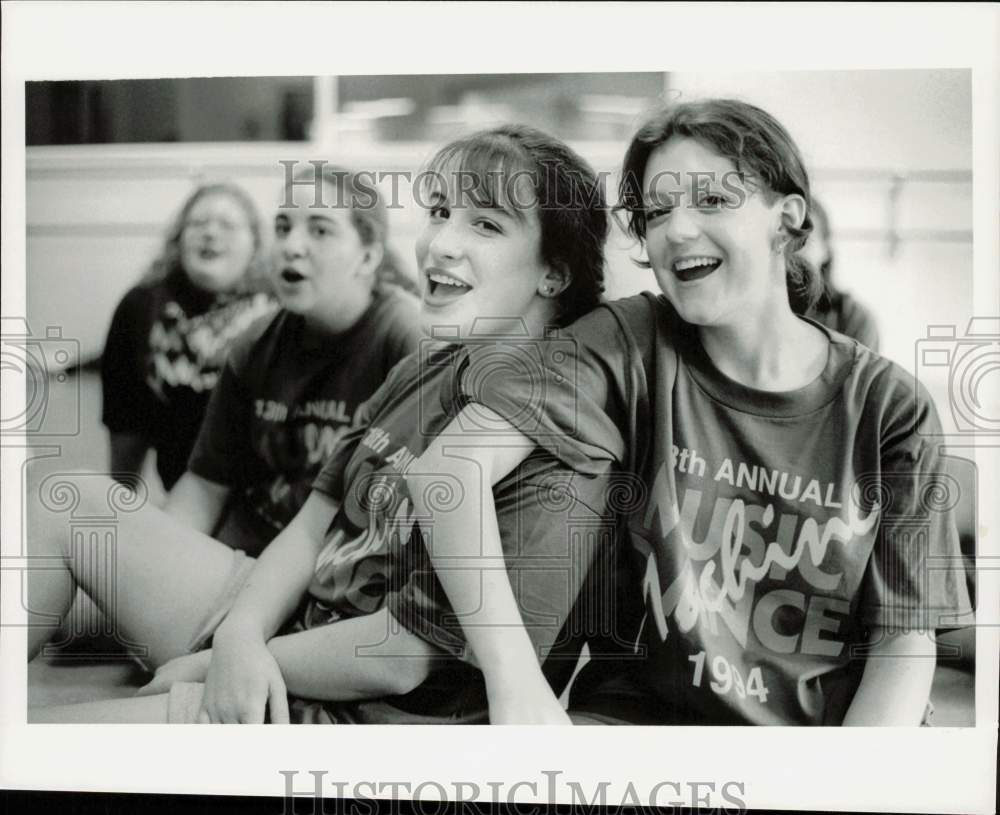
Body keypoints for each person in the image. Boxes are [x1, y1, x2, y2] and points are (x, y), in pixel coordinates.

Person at [27, 124, 611, 725]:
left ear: (554, 274)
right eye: (439, 212)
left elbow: (402, 655)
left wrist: (218, 664)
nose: (439, 243)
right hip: (287, 618)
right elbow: (311, 528)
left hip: (354, 703)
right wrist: (239, 636)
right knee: (62, 501)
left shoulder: (553, 420)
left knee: (42, 744)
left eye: (485, 224)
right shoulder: (426, 366)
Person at [413, 99, 973, 725]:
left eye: (711, 200)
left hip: (825, 742)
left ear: (786, 221)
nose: (677, 230)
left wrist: (841, 783)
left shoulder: (890, 406)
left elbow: (904, 639)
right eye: (657, 211)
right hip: (641, 730)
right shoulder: (629, 342)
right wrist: (514, 683)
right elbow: (447, 474)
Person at [163, 166, 423, 555]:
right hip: (243, 554)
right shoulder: (254, 342)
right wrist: (156, 553)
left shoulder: (407, 338)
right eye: (283, 227)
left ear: (368, 257)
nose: (291, 245)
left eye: (319, 230)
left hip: (338, 576)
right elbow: (205, 485)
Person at [100, 182, 276, 492]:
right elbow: (125, 421)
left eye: (227, 224)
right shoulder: (141, 308)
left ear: (256, 243)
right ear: (178, 239)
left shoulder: (280, 311)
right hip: (183, 500)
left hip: (263, 503)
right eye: (198, 223)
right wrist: (121, 509)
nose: (210, 232)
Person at [800, 197, 880, 350]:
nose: (793, 251)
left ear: (825, 249)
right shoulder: (751, 315)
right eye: (784, 239)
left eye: (804, 240)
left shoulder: (853, 318)